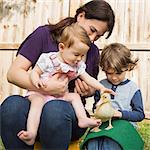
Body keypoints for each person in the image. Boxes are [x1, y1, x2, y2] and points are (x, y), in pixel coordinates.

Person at [1, 0, 115, 149]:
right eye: (92, 30)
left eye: (98, 36)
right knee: (11, 106)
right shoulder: (44, 35)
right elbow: (13, 74)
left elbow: (89, 81)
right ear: (81, 16)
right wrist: (46, 88)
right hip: (37, 104)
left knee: (55, 110)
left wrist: (90, 90)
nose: (93, 39)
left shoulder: (91, 50)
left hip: (66, 116)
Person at [17, 23, 116, 145]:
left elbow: (88, 78)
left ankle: (82, 119)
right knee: (36, 103)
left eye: (82, 55)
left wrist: (101, 88)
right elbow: (34, 72)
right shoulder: (49, 59)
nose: (79, 59)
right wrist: (37, 81)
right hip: (39, 93)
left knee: (74, 97)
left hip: (59, 97)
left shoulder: (76, 65)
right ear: (62, 47)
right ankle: (31, 133)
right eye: (76, 54)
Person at [85, 43, 145, 150]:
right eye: (109, 73)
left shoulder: (133, 88)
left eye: (118, 73)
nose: (114, 78)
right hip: (103, 123)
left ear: (128, 67)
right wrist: (98, 108)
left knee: (110, 144)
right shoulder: (101, 86)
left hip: (124, 125)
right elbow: (96, 106)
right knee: (93, 143)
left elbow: (139, 115)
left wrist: (119, 114)